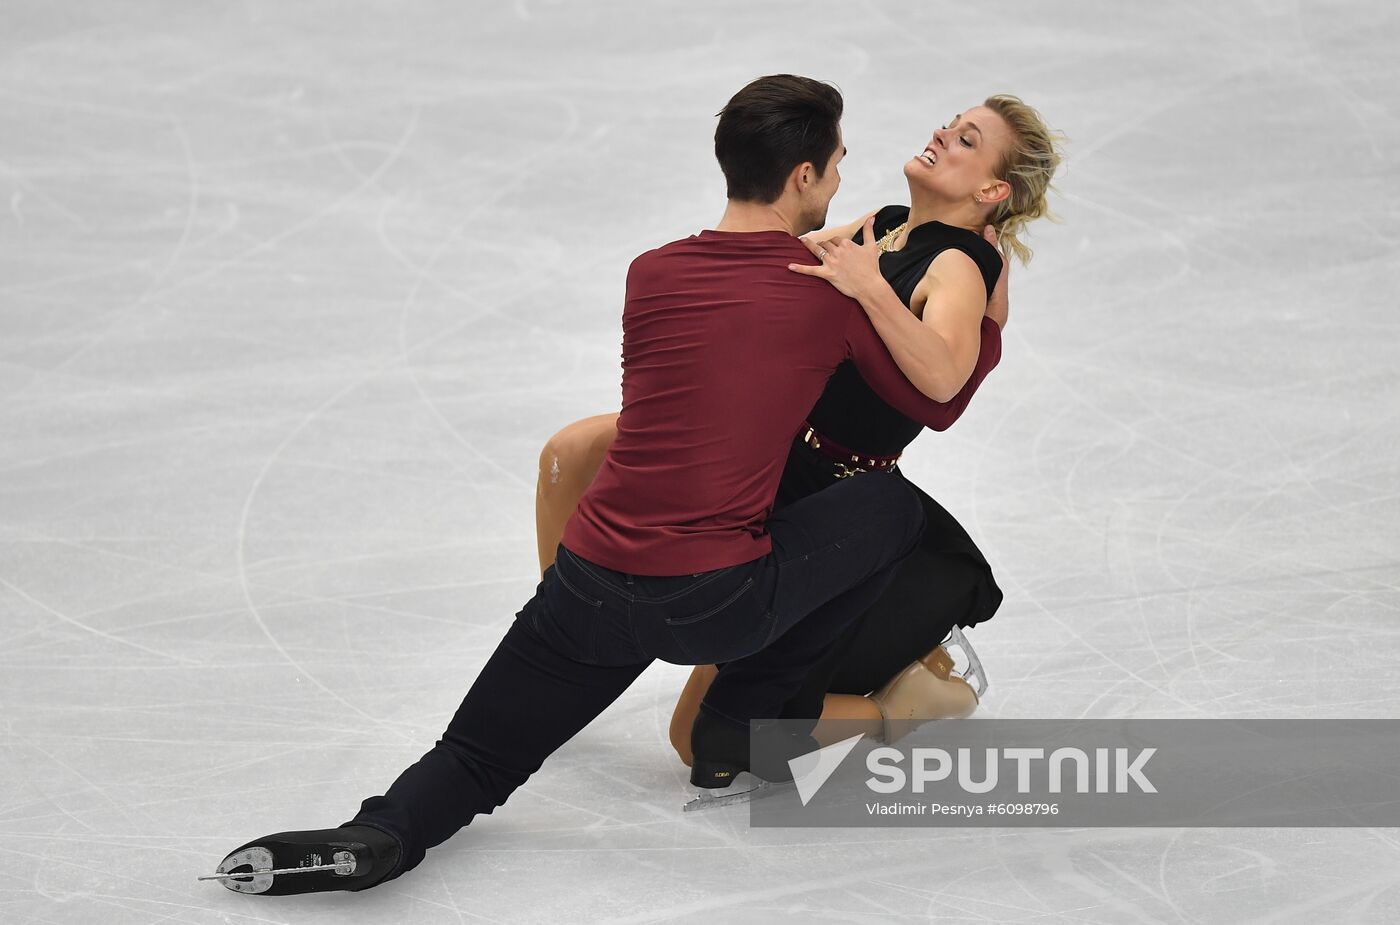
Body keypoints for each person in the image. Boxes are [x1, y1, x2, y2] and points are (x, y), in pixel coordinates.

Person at [209, 74, 1009, 897]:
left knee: (475, 757)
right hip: (715, 598)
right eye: (836, 164)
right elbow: (931, 396)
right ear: (803, 178)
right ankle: (746, 714)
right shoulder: (832, 301)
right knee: (891, 505)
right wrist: (952, 312)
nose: (844, 180)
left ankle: (376, 836)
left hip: (588, 580)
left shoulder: (651, 273)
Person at [535, 96, 1064, 754]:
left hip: (832, 497)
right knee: (577, 450)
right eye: (950, 125)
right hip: (772, 446)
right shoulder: (892, 224)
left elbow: (944, 376)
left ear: (992, 188)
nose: (940, 133)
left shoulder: (958, 263)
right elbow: (797, 259)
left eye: (965, 139)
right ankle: (575, 640)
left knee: (700, 741)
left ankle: (904, 703)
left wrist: (869, 288)